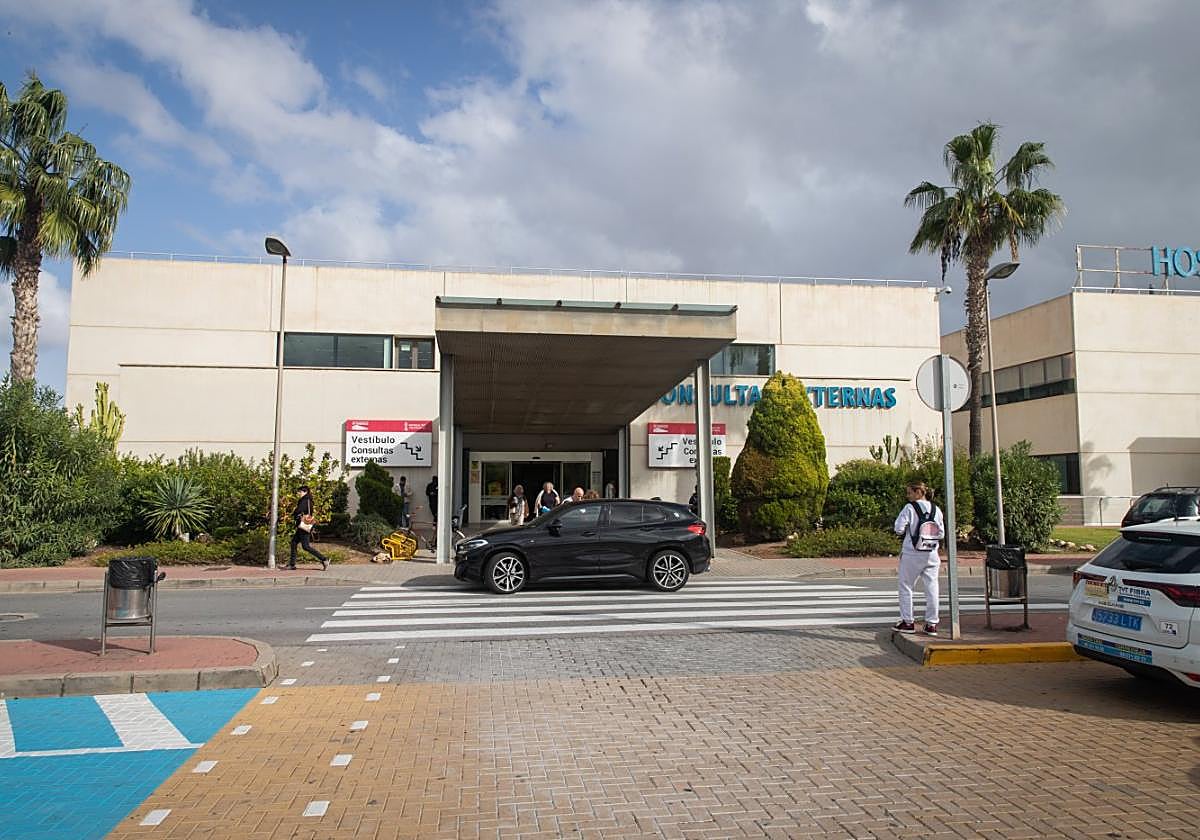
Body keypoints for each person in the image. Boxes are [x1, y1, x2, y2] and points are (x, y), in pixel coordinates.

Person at [892, 481, 945, 636]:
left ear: (918, 492)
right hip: (932, 553)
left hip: (912, 553)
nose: (907, 496)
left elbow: (898, 529)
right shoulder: (936, 509)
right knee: (932, 587)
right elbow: (941, 533)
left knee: (906, 586)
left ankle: (908, 622)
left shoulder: (909, 508)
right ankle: (932, 624)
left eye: (909, 492)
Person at [288, 485, 328, 571]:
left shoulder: (305, 500)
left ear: (305, 492)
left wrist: (294, 513)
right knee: (294, 542)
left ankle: (324, 559)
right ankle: (292, 564)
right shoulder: (307, 500)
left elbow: (299, 510)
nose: (298, 493)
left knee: (305, 546)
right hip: (302, 526)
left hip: (304, 526)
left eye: (300, 492)